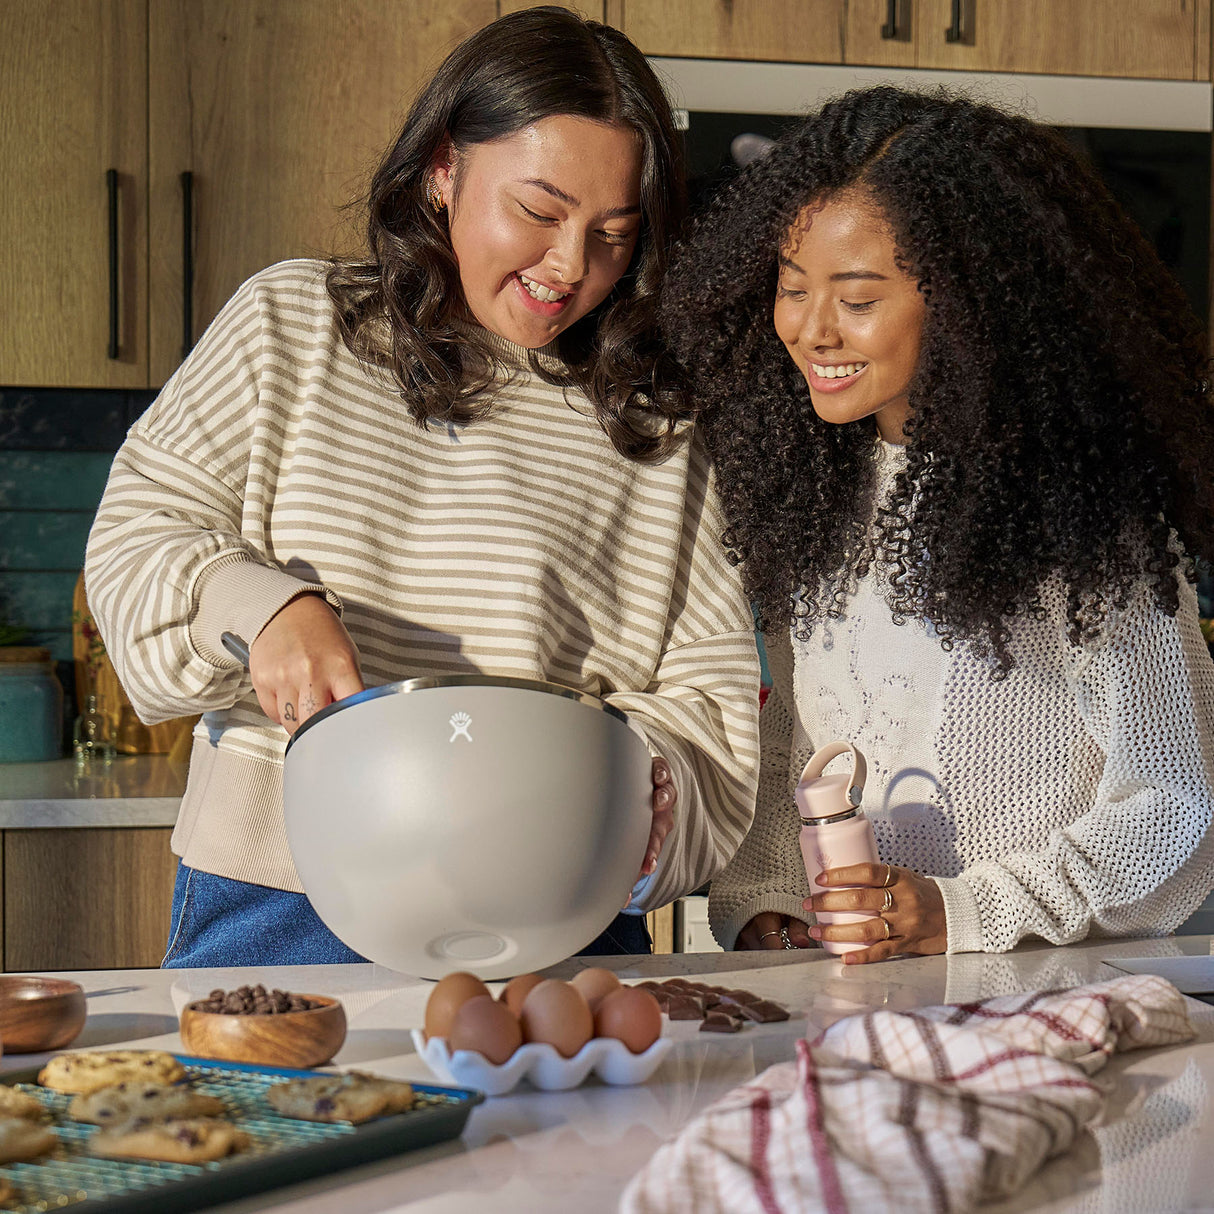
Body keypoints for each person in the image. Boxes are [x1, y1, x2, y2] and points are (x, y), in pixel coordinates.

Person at [85, 7, 760, 967]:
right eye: (539, 211)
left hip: (565, 908)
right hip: (286, 904)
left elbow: (711, 694)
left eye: (615, 233)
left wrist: (633, 794)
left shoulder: (657, 421)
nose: (572, 268)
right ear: (445, 166)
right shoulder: (295, 324)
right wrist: (264, 607)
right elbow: (137, 536)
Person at [659, 85, 1214, 964]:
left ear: (969, 301)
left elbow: (1176, 805)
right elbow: (795, 745)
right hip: (867, 1004)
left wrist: (966, 909)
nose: (810, 330)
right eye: (792, 287)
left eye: (859, 297)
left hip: (1053, 1006)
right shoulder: (804, 498)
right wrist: (767, 897)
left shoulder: (1087, 519)